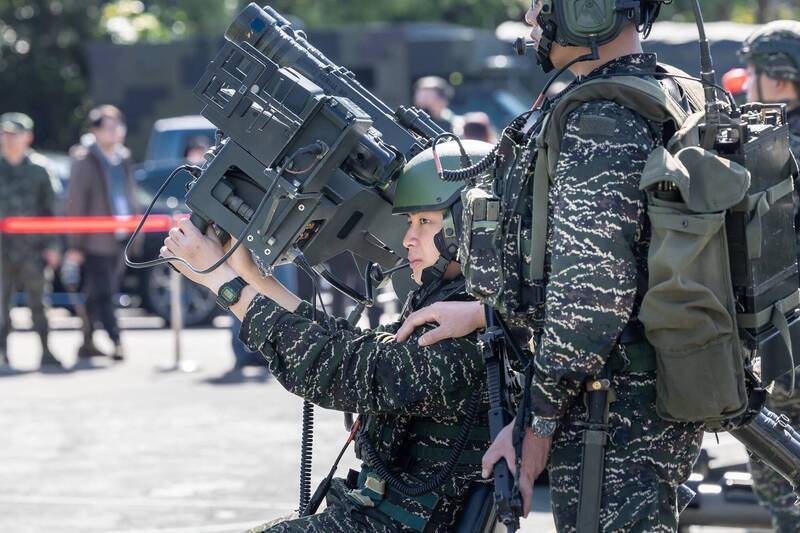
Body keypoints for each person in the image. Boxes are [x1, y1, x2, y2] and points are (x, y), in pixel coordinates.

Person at [396, 1, 705, 530]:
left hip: (611, 409)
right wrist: (482, 314)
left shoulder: (602, 119)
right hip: (635, 390)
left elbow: (590, 299)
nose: (532, 19)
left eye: (542, 4)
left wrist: (532, 429)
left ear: (590, 10)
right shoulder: (662, 90)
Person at [162, 141, 493, 532]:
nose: (408, 239)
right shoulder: (461, 307)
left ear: (468, 227)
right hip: (380, 515)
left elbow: (338, 368)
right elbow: (352, 346)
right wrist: (248, 273)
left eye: (425, 222)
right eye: (410, 222)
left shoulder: (461, 335)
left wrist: (223, 284)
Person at [739, 20, 800, 533]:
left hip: (788, 339)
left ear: (778, 79)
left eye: (754, 71)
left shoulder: (775, 151)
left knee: (778, 461)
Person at [64, 105, 138, 361]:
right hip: (95, 239)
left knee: (96, 292)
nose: (115, 131)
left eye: (118, 125)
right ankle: (116, 340)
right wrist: (75, 244)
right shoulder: (85, 159)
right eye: (108, 126)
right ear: (95, 131)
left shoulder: (122, 157)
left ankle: (86, 341)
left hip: (121, 235)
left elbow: (130, 196)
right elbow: (75, 203)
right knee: (105, 293)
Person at [0, 112, 62, 370]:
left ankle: (46, 350)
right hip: (2, 249)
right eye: (5, 134)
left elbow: (53, 210)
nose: (8, 139)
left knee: (39, 302)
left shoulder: (40, 169)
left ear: (28, 137)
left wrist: (54, 246)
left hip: (33, 249)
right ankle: (2, 353)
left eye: (14, 134)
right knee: (1, 304)